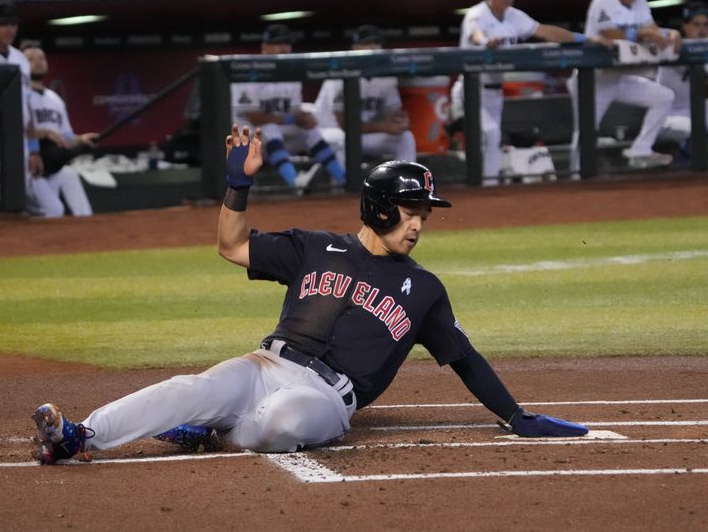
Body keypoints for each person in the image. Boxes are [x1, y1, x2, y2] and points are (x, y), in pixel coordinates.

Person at [30, 123, 589, 465]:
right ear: (378, 206)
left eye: (424, 214)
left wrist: (515, 415)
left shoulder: (423, 289)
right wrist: (238, 185)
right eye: (410, 210)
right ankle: (78, 437)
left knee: (284, 420)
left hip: (327, 398)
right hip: (264, 362)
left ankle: (214, 430)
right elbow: (231, 246)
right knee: (191, 386)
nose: (418, 224)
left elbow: (465, 359)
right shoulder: (313, 247)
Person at [451, 0, 608, 186]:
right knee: (490, 133)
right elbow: (476, 36)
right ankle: (477, 186)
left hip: (495, 92)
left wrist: (583, 38)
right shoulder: (477, 14)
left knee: (494, 139)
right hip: (471, 89)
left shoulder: (513, 16)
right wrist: (486, 42)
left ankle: (488, 187)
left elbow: (544, 31)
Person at [0, 0, 60, 217]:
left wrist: (33, 148)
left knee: (44, 208)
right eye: (3, 24)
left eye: (13, 24)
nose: (10, 29)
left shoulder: (20, 59)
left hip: (18, 140)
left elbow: (27, 106)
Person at [568, 0, 681, 172]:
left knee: (663, 97)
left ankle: (641, 149)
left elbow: (653, 31)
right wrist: (642, 34)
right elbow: (610, 35)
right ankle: (576, 175)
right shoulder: (602, 2)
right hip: (594, 78)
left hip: (620, 77)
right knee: (586, 130)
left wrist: (670, 33)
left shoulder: (640, 2)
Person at [231, 24, 346, 192]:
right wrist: (292, 119)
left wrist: (305, 118)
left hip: (276, 135)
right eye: (278, 43)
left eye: (287, 43)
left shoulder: (291, 73)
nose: (284, 48)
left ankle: (343, 179)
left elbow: (294, 111)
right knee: (269, 128)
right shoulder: (249, 71)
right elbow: (254, 117)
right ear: (264, 47)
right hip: (247, 135)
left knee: (310, 129)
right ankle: (296, 181)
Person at [313, 24, 417, 165]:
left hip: (365, 135)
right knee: (343, 139)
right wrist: (383, 126)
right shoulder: (340, 72)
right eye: (367, 43)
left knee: (406, 137)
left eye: (377, 43)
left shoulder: (386, 76)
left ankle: (406, 184)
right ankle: (341, 186)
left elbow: (393, 113)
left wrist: (400, 122)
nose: (373, 47)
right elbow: (344, 124)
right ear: (354, 47)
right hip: (330, 133)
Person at [22, 43, 98, 217]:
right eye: (30, 59)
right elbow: (14, 131)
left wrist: (81, 139)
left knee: (70, 175)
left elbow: (65, 136)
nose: (38, 63)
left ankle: (88, 227)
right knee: (53, 211)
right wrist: (45, 133)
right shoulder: (18, 94)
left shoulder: (54, 99)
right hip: (30, 166)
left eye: (41, 58)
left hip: (54, 164)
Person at [654, 1, 708, 154]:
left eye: (706, 24)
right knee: (693, 128)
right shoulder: (673, 47)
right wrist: (671, 33)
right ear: (686, 27)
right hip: (670, 116)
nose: (702, 30)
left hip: (699, 112)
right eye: (696, 24)